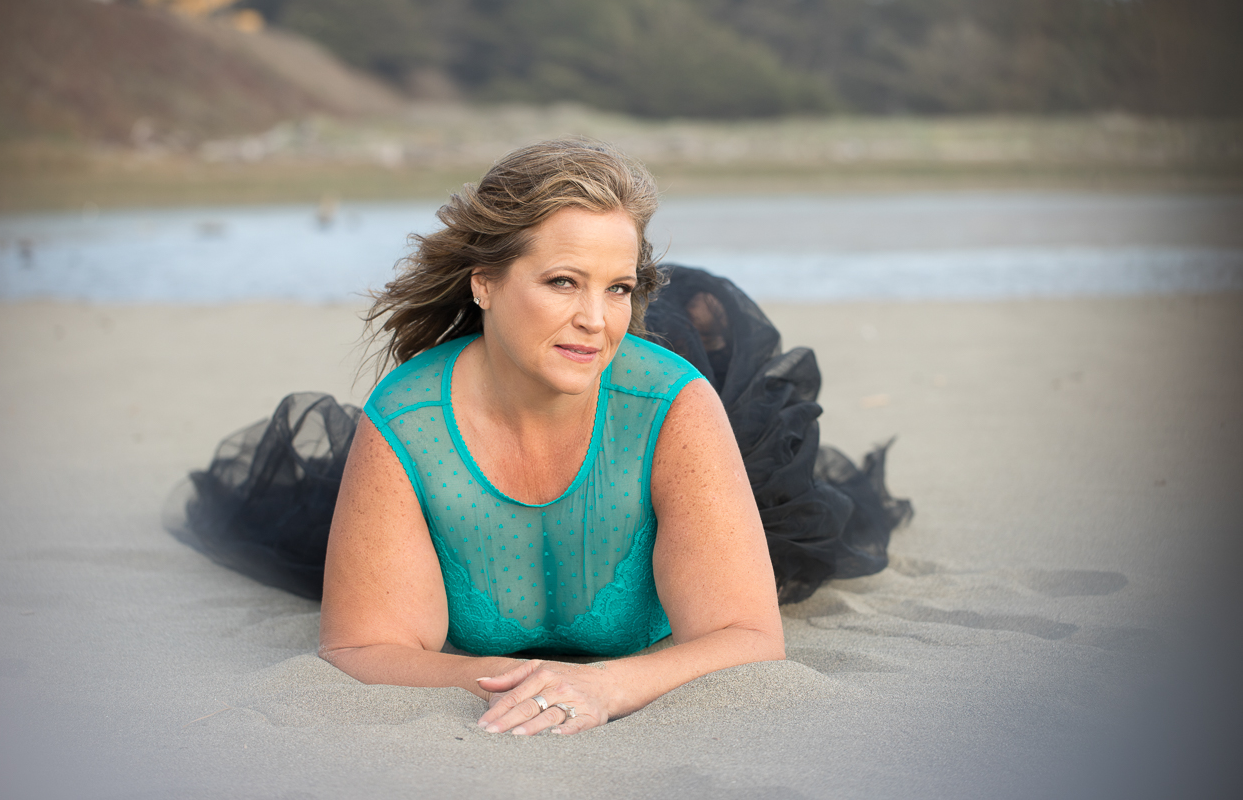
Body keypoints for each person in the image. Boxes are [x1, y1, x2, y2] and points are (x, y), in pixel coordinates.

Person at [170, 138, 911, 736]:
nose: (598, 318)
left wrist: (604, 686)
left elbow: (751, 637)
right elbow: (360, 648)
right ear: (485, 283)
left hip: (666, 432)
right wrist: (534, 684)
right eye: (563, 282)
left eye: (618, 287)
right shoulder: (409, 421)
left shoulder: (676, 408)